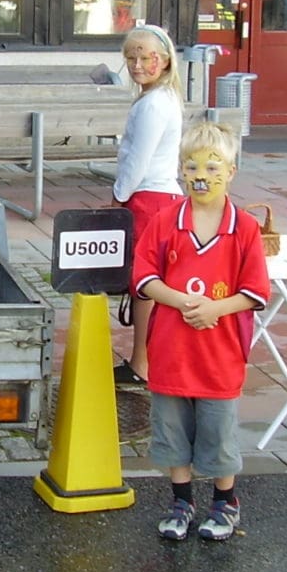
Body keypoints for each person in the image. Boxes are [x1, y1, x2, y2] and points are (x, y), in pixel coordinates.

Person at [131, 121, 270, 542]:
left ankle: (225, 503)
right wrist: (179, 301)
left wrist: (215, 309)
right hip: (172, 349)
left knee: (218, 431)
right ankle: (180, 500)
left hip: (219, 353)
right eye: (192, 167)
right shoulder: (164, 220)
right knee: (172, 430)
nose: (201, 176)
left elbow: (255, 291)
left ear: (231, 171)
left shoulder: (243, 227)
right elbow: (144, 276)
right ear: (180, 170)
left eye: (213, 167)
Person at [112, 24, 185, 385]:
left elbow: (136, 164)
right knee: (152, 284)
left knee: (144, 285)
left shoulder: (153, 104)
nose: (137, 64)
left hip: (148, 199)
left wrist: (118, 197)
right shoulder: (163, 98)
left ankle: (142, 362)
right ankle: (149, 358)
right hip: (163, 195)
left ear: (165, 59)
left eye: (145, 57)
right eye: (131, 57)